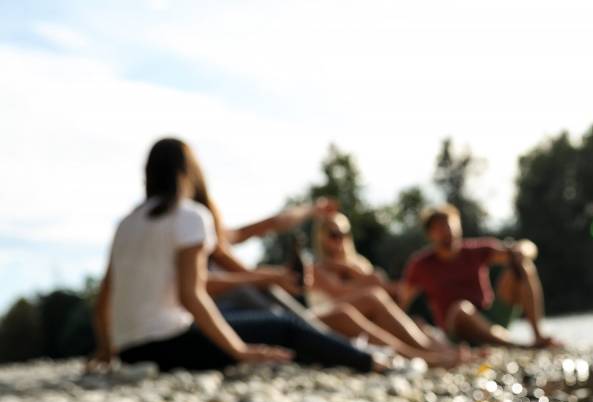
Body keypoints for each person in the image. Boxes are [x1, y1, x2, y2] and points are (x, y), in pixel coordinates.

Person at [91, 138, 379, 373]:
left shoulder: (126, 223)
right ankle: (371, 362)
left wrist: (107, 350)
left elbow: (104, 296)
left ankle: (352, 352)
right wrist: (238, 350)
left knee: (273, 324)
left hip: (128, 351)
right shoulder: (190, 216)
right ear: (187, 171)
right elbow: (191, 295)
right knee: (284, 325)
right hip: (169, 343)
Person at [308, 211, 466, 367]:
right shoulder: (316, 269)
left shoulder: (358, 263)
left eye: (344, 233)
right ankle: (426, 355)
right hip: (326, 325)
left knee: (407, 319)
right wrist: (359, 275)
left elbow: (379, 286)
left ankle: (439, 352)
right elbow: (342, 292)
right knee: (371, 299)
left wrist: (354, 272)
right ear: (321, 237)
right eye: (334, 234)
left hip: (358, 322)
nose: (340, 239)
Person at [399, 204, 559, 347]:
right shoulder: (420, 265)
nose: (447, 231)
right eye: (440, 228)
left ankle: (538, 335)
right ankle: (516, 345)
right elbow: (402, 302)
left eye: (450, 225)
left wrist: (521, 251)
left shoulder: (475, 251)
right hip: (456, 327)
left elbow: (528, 248)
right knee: (461, 309)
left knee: (522, 266)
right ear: (430, 234)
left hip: (489, 317)